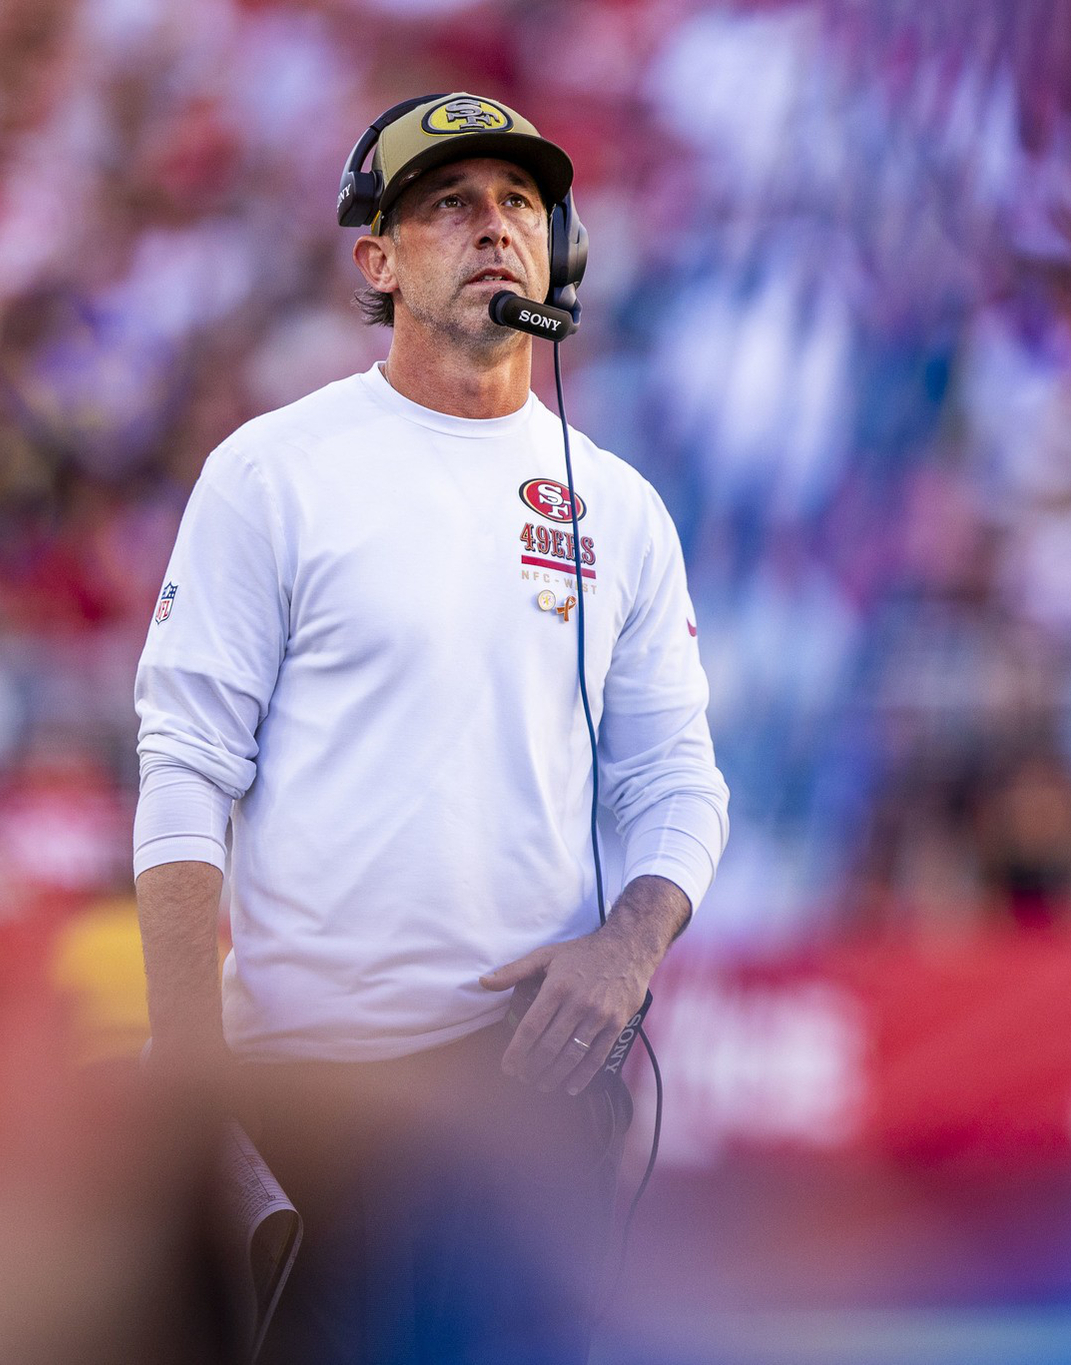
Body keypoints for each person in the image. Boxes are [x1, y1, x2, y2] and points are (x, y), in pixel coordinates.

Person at [130, 92, 729, 1364]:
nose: (495, 227)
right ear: (380, 260)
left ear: (557, 251)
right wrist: (189, 1075)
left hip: (530, 1094)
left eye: (518, 203)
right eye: (451, 204)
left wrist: (631, 940)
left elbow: (678, 775)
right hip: (311, 1093)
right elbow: (184, 768)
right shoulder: (271, 471)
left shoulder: (619, 508)